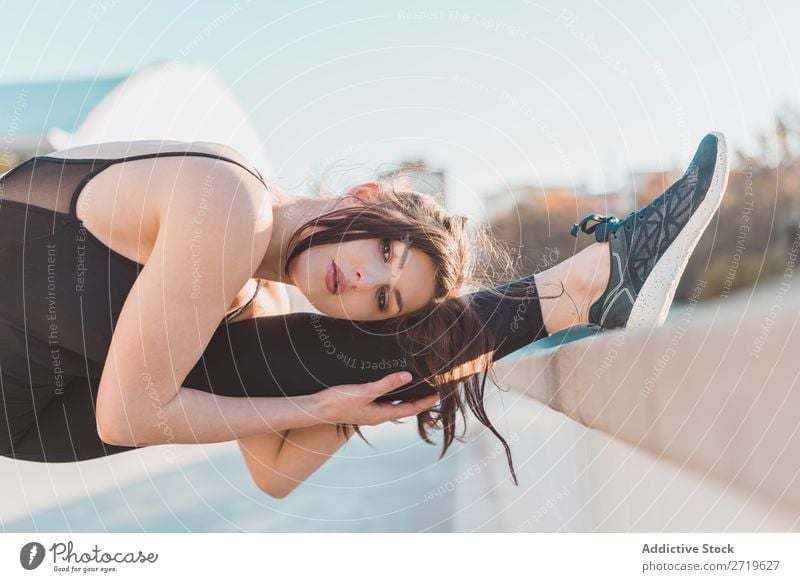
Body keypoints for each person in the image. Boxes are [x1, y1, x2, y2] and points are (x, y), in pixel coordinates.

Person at [0, 133, 728, 497]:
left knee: (347, 353)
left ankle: (591, 291)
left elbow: (275, 472)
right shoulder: (227, 203)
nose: (361, 279)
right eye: (382, 247)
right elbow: (125, 418)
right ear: (366, 196)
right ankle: (591, 285)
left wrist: (359, 402)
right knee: (315, 362)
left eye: (383, 300)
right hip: (28, 383)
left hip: (29, 406)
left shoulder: (265, 299)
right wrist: (324, 397)